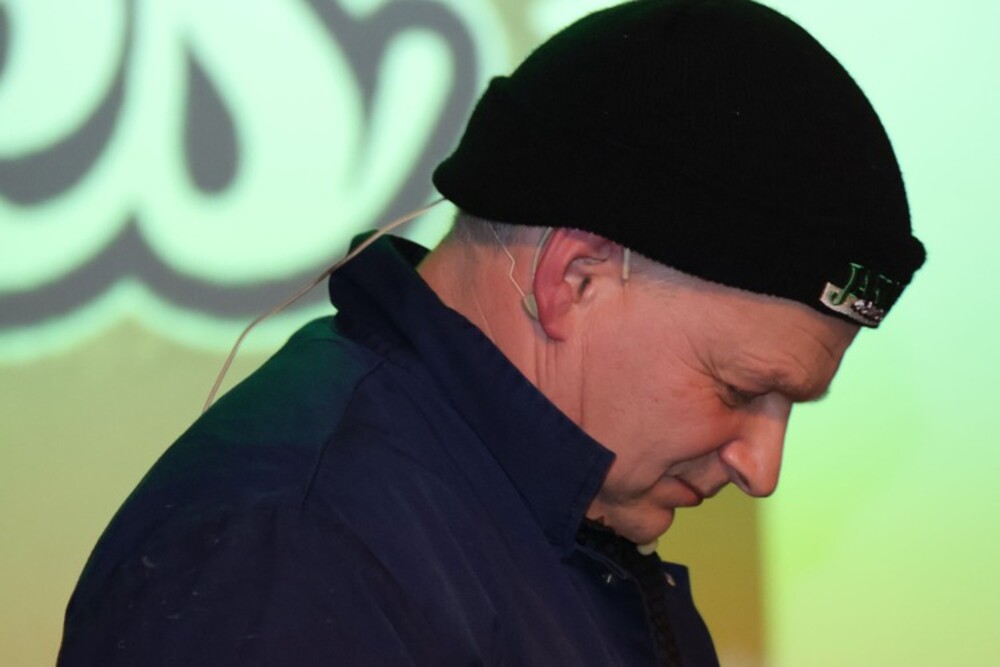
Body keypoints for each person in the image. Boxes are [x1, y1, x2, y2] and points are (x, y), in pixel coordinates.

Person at [58, 0, 925, 665]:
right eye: (740, 388)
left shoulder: (518, 514)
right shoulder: (296, 551)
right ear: (574, 280)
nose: (763, 469)